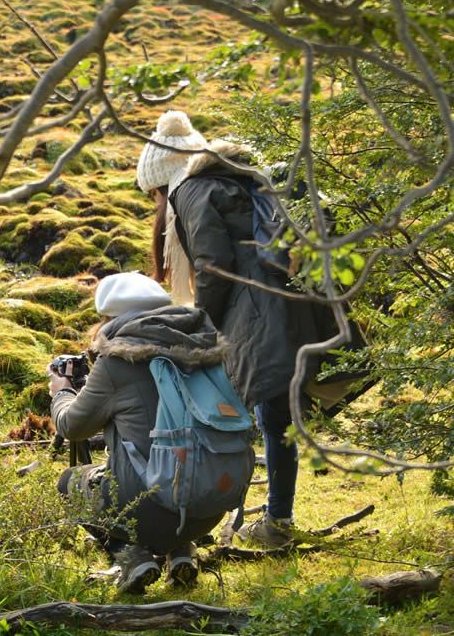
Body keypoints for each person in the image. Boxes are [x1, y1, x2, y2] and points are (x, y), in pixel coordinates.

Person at [139, 131, 337, 548]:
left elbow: (213, 266)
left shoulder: (193, 191)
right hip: (294, 306)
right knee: (275, 415)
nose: (158, 206)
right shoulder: (245, 180)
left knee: (229, 416)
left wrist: (202, 327)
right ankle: (275, 521)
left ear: (162, 183)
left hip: (253, 317)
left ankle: (205, 522)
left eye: (154, 196)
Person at [50, 272, 230, 594]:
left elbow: (72, 426)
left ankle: (133, 558)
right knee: (177, 462)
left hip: (149, 510)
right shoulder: (203, 349)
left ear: (111, 319)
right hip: (211, 503)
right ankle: (182, 552)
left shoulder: (117, 364)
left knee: (69, 484)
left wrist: (62, 391)